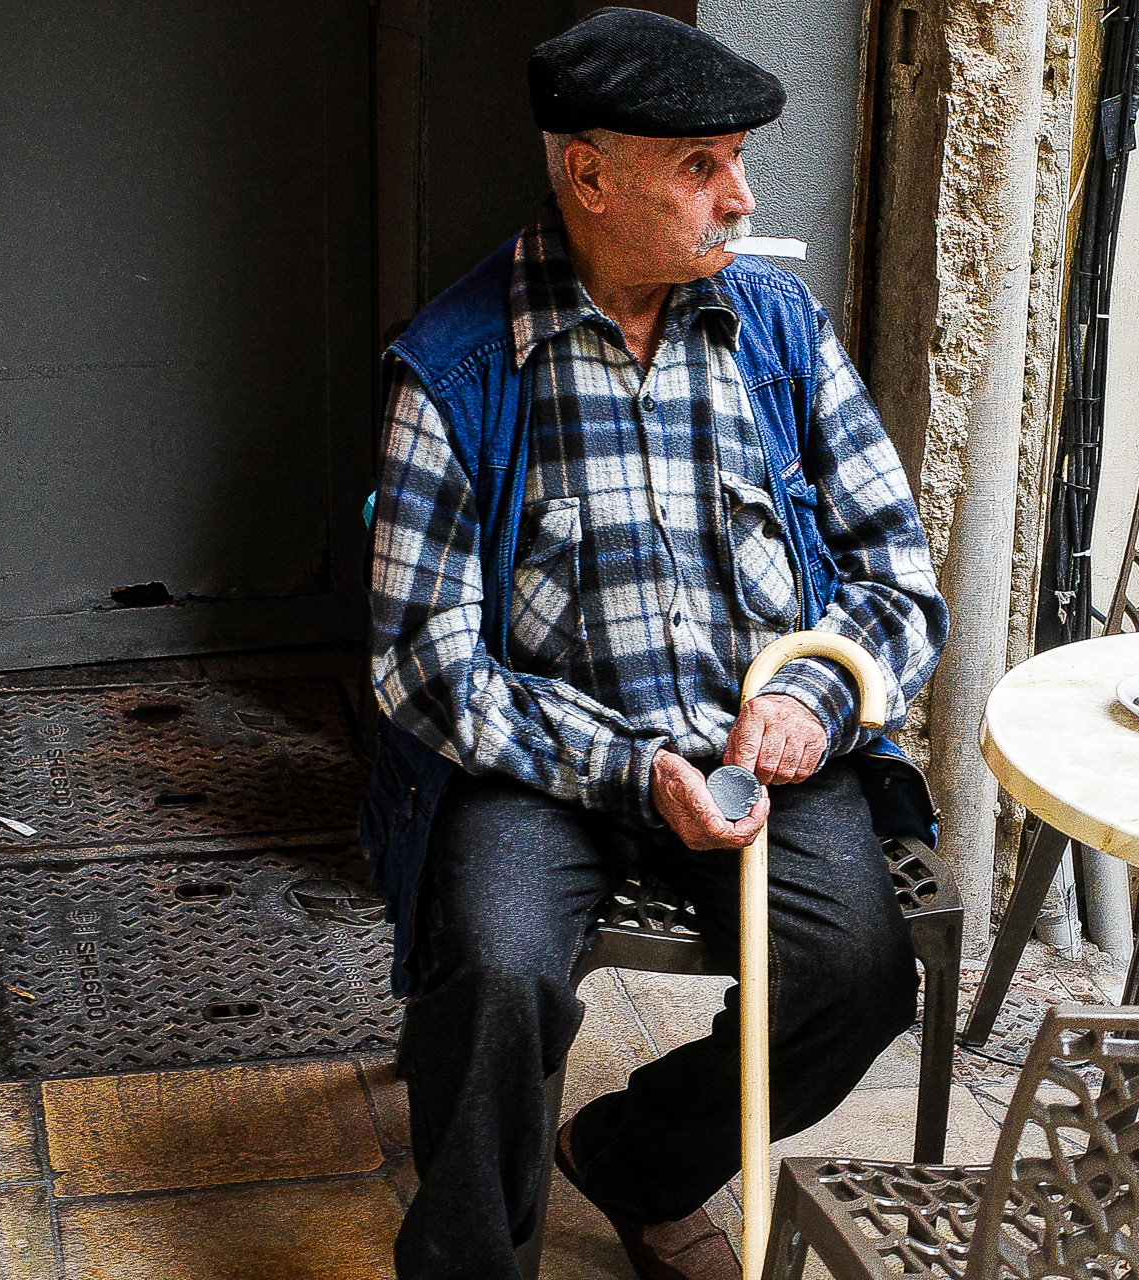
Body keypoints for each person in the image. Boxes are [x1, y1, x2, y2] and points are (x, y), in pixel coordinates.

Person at [359, 9, 947, 1280]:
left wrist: (807, 698)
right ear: (589, 174)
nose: (738, 197)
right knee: (497, 977)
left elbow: (895, 579)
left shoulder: (777, 331)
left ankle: (633, 1158)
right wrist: (635, 772)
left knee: (855, 973)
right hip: (552, 769)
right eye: (700, 167)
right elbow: (424, 659)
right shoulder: (456, 369)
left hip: (762, 749)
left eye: (735, 159)